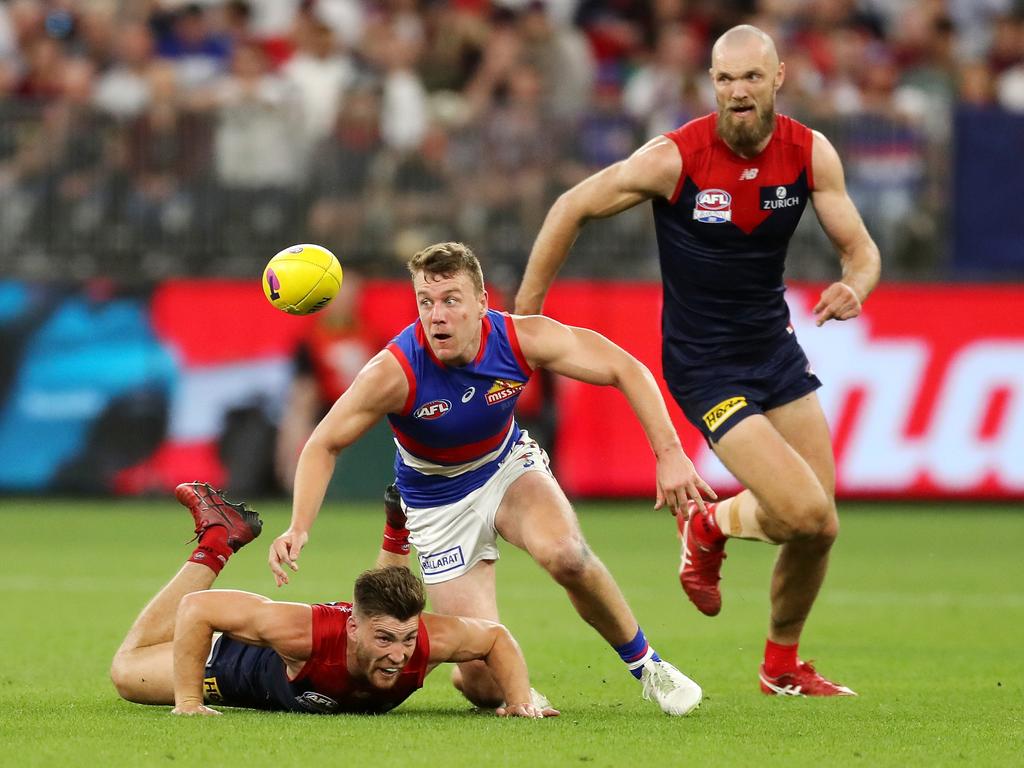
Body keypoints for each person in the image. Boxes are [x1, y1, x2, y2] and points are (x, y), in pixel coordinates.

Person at [514, 25, 881, 697]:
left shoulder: (809, 153)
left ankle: (779, 663)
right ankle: (709, 525)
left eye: (750, 78)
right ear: (711, 84)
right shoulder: (674, 158)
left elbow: (861, 248)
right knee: (800, 511)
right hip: (704, 363)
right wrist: (525, 319)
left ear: (778, 79)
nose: (737, 91)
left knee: (819, 525)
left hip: (774, 348)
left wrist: (854, 285)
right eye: (724, 79)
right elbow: (572, 207)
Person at [268, 241, 715, 716]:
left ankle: (649, 668)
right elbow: (323, 443)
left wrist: (669, 454)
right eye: (426, 301)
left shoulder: (522, 339)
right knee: (485, 684)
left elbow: (626, 367)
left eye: (451, 300)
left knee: (568, 556)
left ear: (482, 303)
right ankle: (404, 531)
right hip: (435, 501)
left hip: (505, 466)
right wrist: (299, 526)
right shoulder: (393, 371)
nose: (436, 315)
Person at [111, 481, 557, 718]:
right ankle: (217, 539)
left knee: (418, 634)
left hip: (355, 630)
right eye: (384, 640)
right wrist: (189, 703)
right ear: (351, 628)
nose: (399, 656)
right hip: (229, 666)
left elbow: (496, 638)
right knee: (126, 671)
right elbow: (198, 610)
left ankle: (398, 528)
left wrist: (519, 700)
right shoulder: (304, 632)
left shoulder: (423, 640)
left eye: (405, 640)